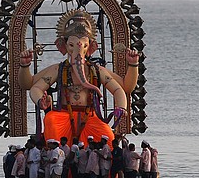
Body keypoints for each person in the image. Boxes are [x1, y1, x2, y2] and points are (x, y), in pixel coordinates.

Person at [18, 9, 141, 145]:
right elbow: (31, 86)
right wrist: (40, 98)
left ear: (91, 47)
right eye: (72, 45)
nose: (78, 51)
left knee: (107, 135)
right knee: (51, 121)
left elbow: (123, 88)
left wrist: (121, 106)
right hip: (63, 114)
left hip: (90, 116)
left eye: (84, 45)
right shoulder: (58, 69)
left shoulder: (96, 70)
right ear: (63, 46)